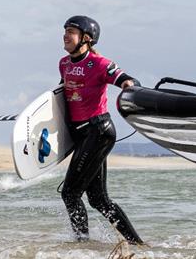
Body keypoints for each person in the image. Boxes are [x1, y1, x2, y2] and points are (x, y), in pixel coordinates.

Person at [59, 15, 143, 244]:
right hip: (81, 134)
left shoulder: (100, 64)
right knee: (98, 199)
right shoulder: (64, 63)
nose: (65, 35)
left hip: (98, 131)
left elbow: (125, 79)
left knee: (70, 193)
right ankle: (137, 243)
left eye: (71, 31)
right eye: (65, 30)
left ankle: (81, 244)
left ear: (86, 38)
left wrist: (129, 85)